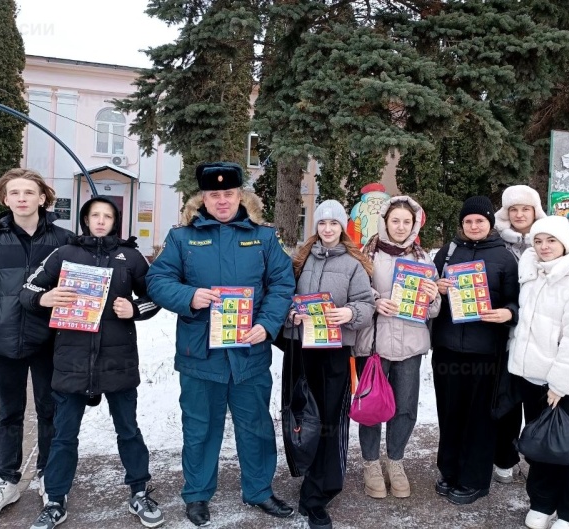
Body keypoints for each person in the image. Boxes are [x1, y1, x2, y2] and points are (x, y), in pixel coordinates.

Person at [145, 162, 296, 527]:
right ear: (203, 198)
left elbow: (282, 283)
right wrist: (189, 295)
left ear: (240, 196)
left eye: (229, 194)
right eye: (215, 195)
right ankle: (197, 494)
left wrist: (267, 324)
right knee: (200, 428)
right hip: (201, 355)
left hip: (249, 353)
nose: (222, 201)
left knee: (257, 426)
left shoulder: (263, 238)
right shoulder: (182, 238)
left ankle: (259, 491)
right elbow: (157, 279)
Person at [21, 196, 163, 529]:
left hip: (118, 360)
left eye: (108, 216)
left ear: (116, 221)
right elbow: (27, 290)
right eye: (94, 215)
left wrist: (135, 309)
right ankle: (56, 499)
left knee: (128, 430)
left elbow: (157, 293)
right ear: (86, 219)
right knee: (64, 435)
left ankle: (139, 491)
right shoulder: (65, 254)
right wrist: (46, 297)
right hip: (72, 361)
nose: (101, 221)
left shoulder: (129, 257)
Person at [0, 169, 72, 523]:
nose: (22, 198)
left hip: (49, 342)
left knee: (50, 411)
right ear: (5, 199)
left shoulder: (63, 240)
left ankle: (48, 478)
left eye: (29, 192)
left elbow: (80, 286)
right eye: (14, 193)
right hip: (3, 344)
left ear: (43, 198)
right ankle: (5, 480)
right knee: (8, 413)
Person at [283, 199, 375, 529]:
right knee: (304, 415)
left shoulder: (353, 263)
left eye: (333, 224)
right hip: (303, 349)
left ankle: (320, 491)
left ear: (342, 227)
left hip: (335, 352)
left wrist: (350, 313)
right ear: (317, 227)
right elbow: (287, 298)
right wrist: (291, 315)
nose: (327, 229)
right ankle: (307, 471)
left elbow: (366, 305)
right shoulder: (300, 259)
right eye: (322, 223)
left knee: (329, 421)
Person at [508, 215, 569, 529]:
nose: (544, 247)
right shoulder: (533, 275)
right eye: (538, 241)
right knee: (542, 444)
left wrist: (560, 383)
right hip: (532, 378)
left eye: (551, 240)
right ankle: (543, 502)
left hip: (564, 382)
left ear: (565, 243)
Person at [431, 196, 519, 505]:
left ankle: (474, 479)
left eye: (479, 220)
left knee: (480, 418)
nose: (474, 225)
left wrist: (508, 313)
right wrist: (437, 287)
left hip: (486, 350)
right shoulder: (448, 252)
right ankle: (449, 471)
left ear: (490, 223)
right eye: (468, 221)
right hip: (447, 347)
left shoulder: (506, 258)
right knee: (450, 412)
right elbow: (428, 292)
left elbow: (516, 300)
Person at [353, 196, 440, 499]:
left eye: (407, 221)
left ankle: (396, 461)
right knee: (372, 406)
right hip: (374, 343)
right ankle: (370, 463)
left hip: (411, 344)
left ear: (414, 224)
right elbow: (356, 292)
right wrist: (376, 300)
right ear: (385, 222)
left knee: (404, 407)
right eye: (395, 221)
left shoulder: (422, 259)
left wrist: (430, 298)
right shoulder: (367, 254)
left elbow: (435, 308)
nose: (401, 227)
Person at [491, 185, 547, 484]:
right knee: (506, 401)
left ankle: (539, 459)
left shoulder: (548, 240)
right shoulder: (496, 241)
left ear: (535, 210)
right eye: (513, 209)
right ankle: (505, 459)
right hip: (504, 334)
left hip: (539, 337)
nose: (519, 214)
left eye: (525, 208)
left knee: (537, 403)